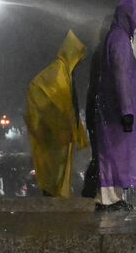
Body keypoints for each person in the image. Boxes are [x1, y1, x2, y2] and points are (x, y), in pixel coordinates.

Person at [85, 0, 136, 211]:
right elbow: (121, 75)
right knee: (112, 155)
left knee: (117, 156)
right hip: (116, 112)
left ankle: (115, 197)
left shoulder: (117, 38)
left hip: (115, 109)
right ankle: (108, 198)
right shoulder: (119, 40)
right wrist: (127, 110)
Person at [25, 30, 89, 198]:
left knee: (60, 174)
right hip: (55, 136)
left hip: (62, 135)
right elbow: (39, 89)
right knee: (54, 175)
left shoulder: (66, 73)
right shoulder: (58, 71)